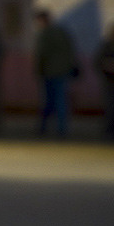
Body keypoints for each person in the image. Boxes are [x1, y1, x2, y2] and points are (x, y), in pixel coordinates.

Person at [33, 10, 78, 138]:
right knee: (60, 100)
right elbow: (70, 51)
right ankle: (62, 129)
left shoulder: (44, 34)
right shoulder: (62, 32)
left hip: (49, 72)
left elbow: (41, 54)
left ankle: (44, 128)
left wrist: (38, 71)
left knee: (49, 101)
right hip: (63, 72)